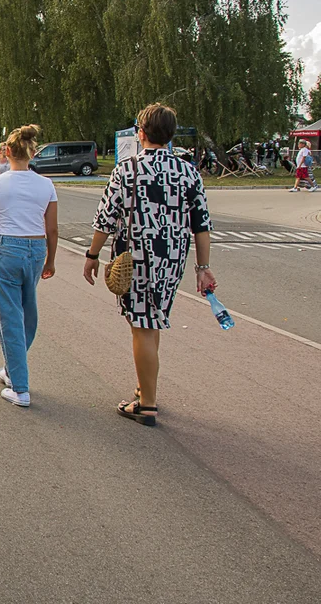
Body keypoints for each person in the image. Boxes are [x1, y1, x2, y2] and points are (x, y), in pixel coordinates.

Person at [85, 104, 216, 426]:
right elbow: (201, 224)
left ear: (140, 132)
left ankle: (147, 405)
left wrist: (91, 256)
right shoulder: (188, 172)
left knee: (141, 326)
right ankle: (146, 388)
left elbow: (106, 217)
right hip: (171, 259)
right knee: (153, 321)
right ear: (170, 135)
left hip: (135, 258)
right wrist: (203, 267)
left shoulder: (126, 170)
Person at [0, 125, 58, 408]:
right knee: (27, 313)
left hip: (8, 248)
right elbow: (53, 229)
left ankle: (20, 387)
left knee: (9, 315)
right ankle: (12, 368)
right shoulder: (46, 184)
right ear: (32, 153)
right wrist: (51, 260)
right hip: (36, 248)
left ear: (6, 152)